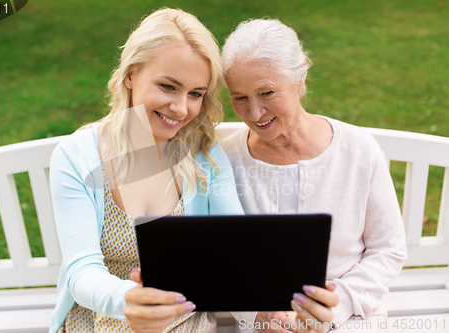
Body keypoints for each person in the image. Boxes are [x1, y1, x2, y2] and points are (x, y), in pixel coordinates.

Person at [49, 8, 337, 333]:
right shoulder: (77, 156)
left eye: (196, 94)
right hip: (102, 321)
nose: (181, 108)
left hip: (188, 321)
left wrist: (280, 308)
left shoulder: (203, 153)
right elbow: (81, 271)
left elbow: (239, 250)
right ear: (130, 74)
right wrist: (132, 299)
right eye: (168, 87)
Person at [221, 19, 407, 333]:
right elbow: (219, 259)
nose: (254, 113)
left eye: (267, 92)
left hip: (352, 314)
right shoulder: (225, 161)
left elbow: (387, 249)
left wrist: (335, 308)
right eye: (240, 97)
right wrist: (257, 316)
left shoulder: (358, 150)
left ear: (300, 79)